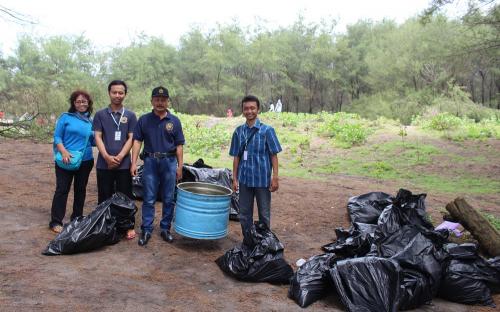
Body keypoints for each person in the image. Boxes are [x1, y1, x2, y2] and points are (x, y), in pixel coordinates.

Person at [131, 86, 185, 246]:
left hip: (169, 162)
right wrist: (133, 162)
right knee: (148, 197)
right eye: (157, 99)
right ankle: (146, 229)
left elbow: (179, 146)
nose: (160, 103)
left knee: (169, 198)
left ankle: (165, 229)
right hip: (150, 162)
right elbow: (137, 141)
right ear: (152, 101)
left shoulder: (174, 121)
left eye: (163, 100)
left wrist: (180, 166)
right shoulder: (144, 120)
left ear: (167, 101)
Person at [229, 95, 282, 244]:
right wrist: (235, 178)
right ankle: (249, 242)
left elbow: (273, 155)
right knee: (244, 214)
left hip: (262, 180)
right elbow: (236, 157)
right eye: (246, 108)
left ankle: (264, 243)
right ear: (243, 111)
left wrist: (275, 177)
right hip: (245, 180)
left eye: (252, 108)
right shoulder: (238, 132)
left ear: (258, 109)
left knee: (264, 214)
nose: (249, 111)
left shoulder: (267, 131)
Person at [93, 80, 138, 239]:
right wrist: (106, 156)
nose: (117, 95)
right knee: (104, 195)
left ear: (125, 94)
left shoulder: (131, 116)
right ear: (109, 93)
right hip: (104, 164)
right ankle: (103, 225)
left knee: (125, 196)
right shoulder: (100, 115)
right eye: (114, 92)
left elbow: (132, 138)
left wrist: (119, 156)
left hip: (124, 164)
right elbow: (97, 136)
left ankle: (127, 226)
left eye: (121, 92)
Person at [49, 90, 95, 233]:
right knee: (62, 190)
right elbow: (57, 137)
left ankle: (77, 218)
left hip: (86, 160)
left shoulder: (92, 122)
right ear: (74, 103)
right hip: (65, 159)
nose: (82, 104)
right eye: (78, 101)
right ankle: (56, 221)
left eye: (84, 101)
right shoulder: (66, 117)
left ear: (89, 103)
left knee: (80, 190)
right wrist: (63, 152)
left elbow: (94, 141)